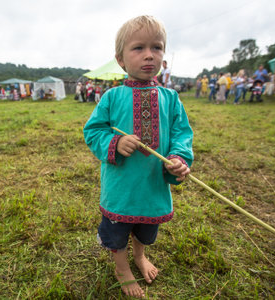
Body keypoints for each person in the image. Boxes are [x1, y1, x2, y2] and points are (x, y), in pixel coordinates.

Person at [83, 15, 193, 298]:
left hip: (153, 185)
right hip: (121, 187)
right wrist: (115, 142)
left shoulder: (171, 98)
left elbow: (182, 134)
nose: (149, 55)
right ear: (120, 59)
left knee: (146, 229)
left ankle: (140, 256)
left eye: (156, 47)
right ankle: (122, 268)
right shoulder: (111, 97)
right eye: (138, 48)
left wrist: (179, 159)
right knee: (117, 231)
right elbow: (93, 131)